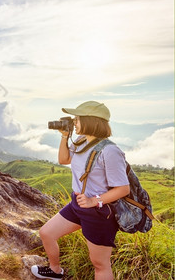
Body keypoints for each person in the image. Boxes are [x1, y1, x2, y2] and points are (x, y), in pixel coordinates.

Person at [31, 101, 130, 280]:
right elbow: (63, 159)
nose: (74, 122)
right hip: (78, 204)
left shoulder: (110, 151)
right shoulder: (81, 140)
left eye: (77, 119)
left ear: (91, 121)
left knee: (100, 264)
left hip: (99, 212)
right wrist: (64, 136)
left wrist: (94, 200)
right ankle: (55, 271)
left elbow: (123, 188)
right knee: (47, 233)